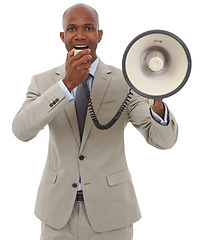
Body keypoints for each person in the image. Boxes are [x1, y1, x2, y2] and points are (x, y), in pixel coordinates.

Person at [12, 3, 178, 240]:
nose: (80, 35)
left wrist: (157, 102)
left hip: (112, 214)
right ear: (62, 36)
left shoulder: (126, 82)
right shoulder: (43, 82)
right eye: (72, 29)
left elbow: (164, 141)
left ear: (99, 34)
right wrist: (65, 85)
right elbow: (21, 130)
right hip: (58, 216)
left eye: (88, 28)